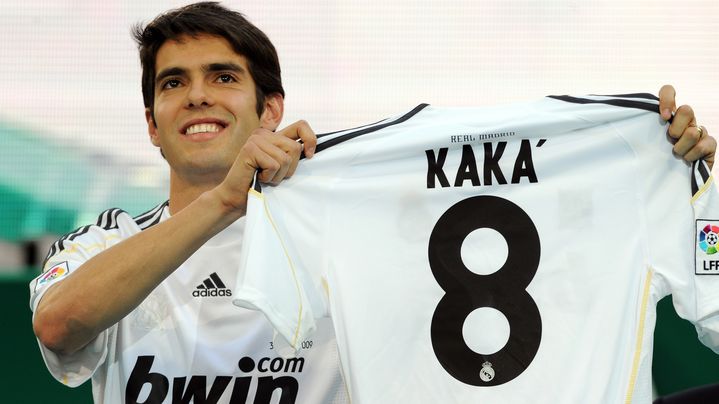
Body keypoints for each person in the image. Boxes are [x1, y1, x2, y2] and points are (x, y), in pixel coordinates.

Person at [29, 2, 715, 403]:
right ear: (151, 123)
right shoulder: (105, 240)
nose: (198, 96)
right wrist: (223, 204)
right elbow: (60, 325)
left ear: (270, 110)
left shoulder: (351, 219)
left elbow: (551, 244)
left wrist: (667, 168)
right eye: (172, 84)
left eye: (223, 77)